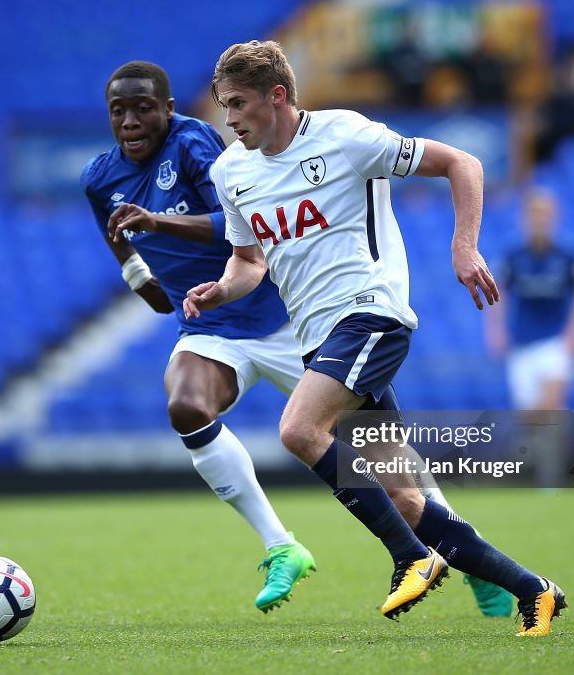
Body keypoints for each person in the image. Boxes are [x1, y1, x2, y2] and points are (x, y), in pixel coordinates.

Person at [82, 61, 513, 617]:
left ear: (169, 108)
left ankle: (463, 553)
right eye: (119, 110)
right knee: (187, 405)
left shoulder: (198, 146)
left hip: (290, 319)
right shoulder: (102, 177)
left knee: (390, 472)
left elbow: (239, 229)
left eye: (145, 107)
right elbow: (136, 235)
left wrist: (160, 223)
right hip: (215, 322)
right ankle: (281, 544)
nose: (132, 120)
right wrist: (140, 277)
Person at [185, 40, 565, 635]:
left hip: (370, 316)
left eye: (237, 104)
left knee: (297, 429)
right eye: (221, 105)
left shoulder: (345, 136)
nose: (228, 120)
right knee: (408, 500)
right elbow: (249, 264)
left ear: (276, 96)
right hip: (317, 336)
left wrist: (463, 246)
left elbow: (463, 163)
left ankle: (411, 558)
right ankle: (533, 590)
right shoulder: (231, 171)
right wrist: (219, 290)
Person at [486, 188, 574, 484]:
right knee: (532, 416)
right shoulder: (513, 256)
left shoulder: (568, 255)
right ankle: (542, 456)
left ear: (554, 217)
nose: (538, 220)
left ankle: (552, 477)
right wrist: (496, 330)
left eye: (544, 214)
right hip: (522, 344)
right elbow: (499, 294)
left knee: (549, 406)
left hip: (555, 341)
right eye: (533, 214)